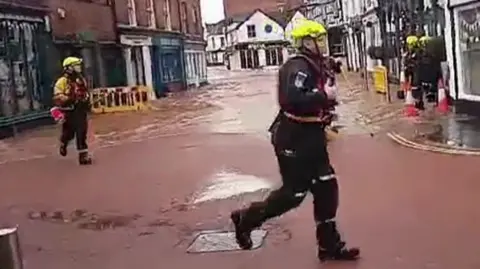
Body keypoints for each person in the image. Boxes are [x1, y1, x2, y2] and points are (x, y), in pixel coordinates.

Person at [230, 19, 360, 261]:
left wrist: (332, 70)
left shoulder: (315, 62)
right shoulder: (296, 66)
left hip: (313, 137)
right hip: (293, 139)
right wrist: (324, 95)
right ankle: (246, 219)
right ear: (305, 42)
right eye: (318, 39)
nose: (323, 42)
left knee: (327, 187)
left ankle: (329, 246)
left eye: (323, 38)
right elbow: (291, 97)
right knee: (294, 194)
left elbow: (322, 75)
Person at [53, 57, 92, 165]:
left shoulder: (81, 80)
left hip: (80, 110)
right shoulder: (62, 81)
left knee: (82, 132)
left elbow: (86, 92)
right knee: (69, 133)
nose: (79, 67)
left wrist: (86, 100)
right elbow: (57, 96)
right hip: (69, 111)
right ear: (69, 68)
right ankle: (63, 143)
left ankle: (83, 156)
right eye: (76, 65)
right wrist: (69, 99)